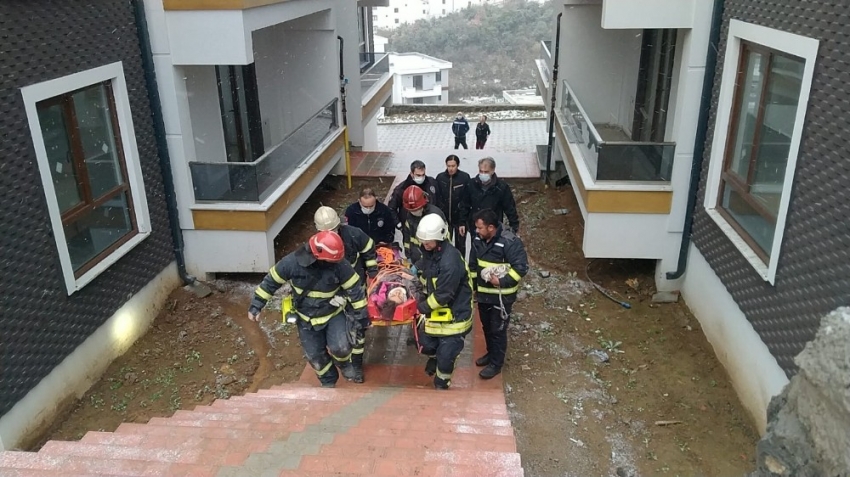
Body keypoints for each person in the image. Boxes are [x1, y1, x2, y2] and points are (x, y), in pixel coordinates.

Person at [247, 231, 369, 387]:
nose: (336, 263)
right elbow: (271, 281)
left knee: (341, 348)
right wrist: (256, 305)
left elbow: (355, 291)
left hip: (333, 314)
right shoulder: (291, 263)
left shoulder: (340, 265)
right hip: (306, 319)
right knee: (315, 356)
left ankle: (344, 364)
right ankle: (328, 382)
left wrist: (363, 318)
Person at [314, 206, 378, 380]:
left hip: (355, 289)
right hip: (332, 293)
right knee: (334, 328)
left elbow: (369, 247)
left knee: (358, 326)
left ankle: (356, 364)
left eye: (334, 231)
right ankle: (339, 355)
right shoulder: (315, 245)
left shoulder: (353, 235)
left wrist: (372, 270)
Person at [412, 214, 474, 389]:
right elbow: (428, 264)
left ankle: (442, 381)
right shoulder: (433, 251)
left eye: (428, 241)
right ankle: (435, 357)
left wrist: (420, 307)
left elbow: (443, 295)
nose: (425, 244)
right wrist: (418, 266)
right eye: (423, 240)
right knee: (425, 344)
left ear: (439, 237)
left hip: (455, 315)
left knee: (447, 354)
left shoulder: (450, 262)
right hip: (438, 311)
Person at [469, 209, 528, 379]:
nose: (477, 231)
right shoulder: (478, 240)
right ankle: (491, 353)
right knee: (487, 327)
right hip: (483, 295)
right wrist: (473, 286)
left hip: (502, 296)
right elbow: (473, 265)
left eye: (480, 228)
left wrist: (501, 282)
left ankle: (496, 363)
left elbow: (521, 268)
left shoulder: (510, 242)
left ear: (491, 228)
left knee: (498, 330)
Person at [460, 157, 520, 235]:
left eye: (486, 172)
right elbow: (465, 205)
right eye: (481, 171)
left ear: (492, 170)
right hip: (476, 227)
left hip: (494, 227)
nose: (483, 174)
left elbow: (509, 207)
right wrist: (462, 222)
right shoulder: (471, 184)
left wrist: (514, 227)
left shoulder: (501, 187)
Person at [399, 185, 446, 265]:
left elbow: (441, 246)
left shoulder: (435, 217)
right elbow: (407, 239)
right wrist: (408, 257)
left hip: (432, 262)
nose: (414, 212)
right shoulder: (410, 216)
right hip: (415, 260)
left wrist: (420, 264)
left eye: (416, 209)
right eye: (411, 210)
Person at [435, 155, 471, 257]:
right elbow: (438, 198)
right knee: (445, 246)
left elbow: (466, 201)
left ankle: (461, 266)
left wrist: (463, 221)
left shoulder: (464, 178)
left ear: (457, 165)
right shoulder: (440, 178)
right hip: (445, 220)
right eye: (448, 166)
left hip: (460, 219)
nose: (451, 168)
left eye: (453, 166)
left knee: (460, 246)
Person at [388, 160, 442, 225]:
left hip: (430, 223)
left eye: (423, 175)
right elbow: (391, 208)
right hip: (410, 225)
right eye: (418, 175)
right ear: (412, 173)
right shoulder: (401, 189)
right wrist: (398, 224)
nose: (421, 177)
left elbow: (439, 201)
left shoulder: (432, 183)